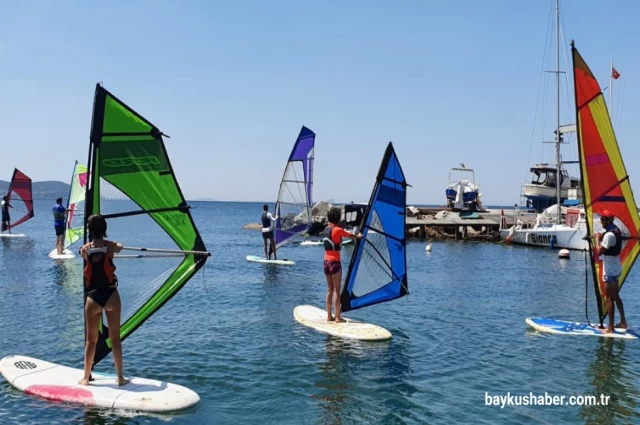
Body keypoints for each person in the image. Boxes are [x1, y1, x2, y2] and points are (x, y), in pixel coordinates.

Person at [79, 214, 128, 386]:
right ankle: (120, 378)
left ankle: (86, 378)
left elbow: (82, 253)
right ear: (105, 230)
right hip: (111, 295)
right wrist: (117, 246)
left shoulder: (85, 249)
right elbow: (119, 247)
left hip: (93, 298)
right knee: (115, 339)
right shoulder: (111, 246)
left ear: (90, 231)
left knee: (91, 340)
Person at [323, 207, 362, 323]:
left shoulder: (326, 229)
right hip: (334, 262)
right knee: (336, 290)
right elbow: (350, 236)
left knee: (329, 290)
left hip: (325, 262)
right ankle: (338, 317)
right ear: (337, 218)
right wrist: (359, 236)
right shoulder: (338, 230)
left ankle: (329, 316)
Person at [594, 209, 627, 334]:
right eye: (601, 218)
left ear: (609, 220)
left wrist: (597, 238)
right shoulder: (615, 230)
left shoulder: (609, 235)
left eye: (603, 219)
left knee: (609, 298)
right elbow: (610, 238)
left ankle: (610, 328)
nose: (601, 221)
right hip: (616, 267)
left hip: (610, 271)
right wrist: (601, 235)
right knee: (615, 296)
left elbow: (599, 251)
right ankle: (623, 322)